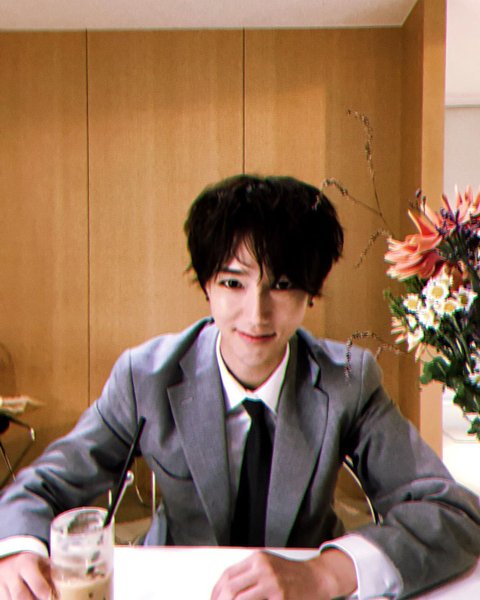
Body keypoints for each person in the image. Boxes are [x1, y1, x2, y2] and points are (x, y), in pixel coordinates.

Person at [0, 174, 479, 600]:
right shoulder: (145, 376)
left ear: (312, 291)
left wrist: (325, 573)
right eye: (233, 284)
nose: (257, 314)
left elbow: (453, 513)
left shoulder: (348, 380)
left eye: (282, 284)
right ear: (206, 284)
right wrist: (18, 550)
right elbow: (41, 488)